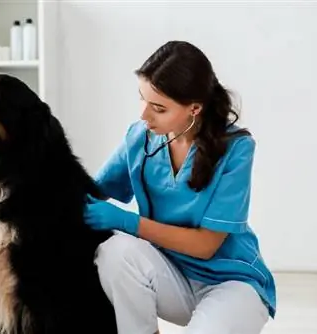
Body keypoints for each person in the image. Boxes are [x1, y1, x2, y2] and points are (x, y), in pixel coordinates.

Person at [83, 40, 276, 334]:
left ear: (194, 108)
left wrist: (127, 221)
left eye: (158, 108)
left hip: (231, 283)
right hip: (171, 275)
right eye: (143, 99)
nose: (144, 116)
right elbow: (91, 192)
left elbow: (205, 245)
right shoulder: (140, 137)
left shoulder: (236, 148)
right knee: (114, 253)